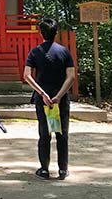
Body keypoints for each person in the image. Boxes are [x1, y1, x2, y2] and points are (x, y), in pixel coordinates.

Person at [23, 18, 75, 180]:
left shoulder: (35, 52)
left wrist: (42, 94)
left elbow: (27, 76)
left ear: (41, 33)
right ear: (56, 33)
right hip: (61, 98)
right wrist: (59, 96)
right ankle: (63, 170)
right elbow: (71, 77)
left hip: (42, 99)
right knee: (62, 133)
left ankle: (44, 169)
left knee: (44, 133)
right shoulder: (64, 52)